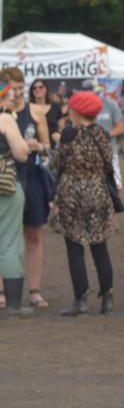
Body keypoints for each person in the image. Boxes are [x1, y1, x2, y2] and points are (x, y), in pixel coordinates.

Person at [49, 90, 118, 316]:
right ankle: (107, 297)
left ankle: (81, 299)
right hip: (98, 194)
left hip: (73, 197)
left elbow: (56, 164)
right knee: (100, 247)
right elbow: (109, 164)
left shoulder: (69, 135)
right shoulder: (103, 135)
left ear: (77, 110)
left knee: (75, 248)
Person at [1, 68, 54, 312]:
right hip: (6, 181)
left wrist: (37, 147)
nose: (20, 93)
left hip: (30, 178)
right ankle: (2, 292)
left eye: (23, 88)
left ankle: (34, 291)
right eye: (15, 89)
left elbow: (48, 148)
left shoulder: (34, 112)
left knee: (33, 236)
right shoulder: (3, 114)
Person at [0, 77, 34, 317]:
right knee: (10, 244)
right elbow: (21, 154)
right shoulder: (5, 120)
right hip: (5, 187)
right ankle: (13, 305)